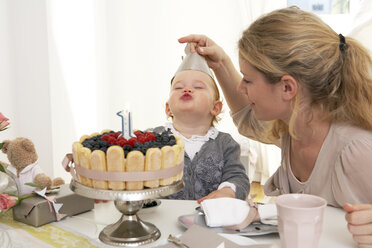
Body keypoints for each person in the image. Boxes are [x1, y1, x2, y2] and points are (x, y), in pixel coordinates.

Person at [179, 6, 372, 246]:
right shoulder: (292, 127)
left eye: (248, 80)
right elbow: (249, 118)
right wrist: (220, 65)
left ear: (288, 88)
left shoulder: (357, 150)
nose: (241, 87)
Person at [153, 44, 250, 201]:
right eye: (178, 87)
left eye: (198, 86)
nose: (187, 89)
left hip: (209, 219)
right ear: (168, 108)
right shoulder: (152, 139)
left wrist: (228, 191)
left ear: (215, 107)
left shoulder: (225, 144)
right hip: (162, 219)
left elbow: (237, 177)